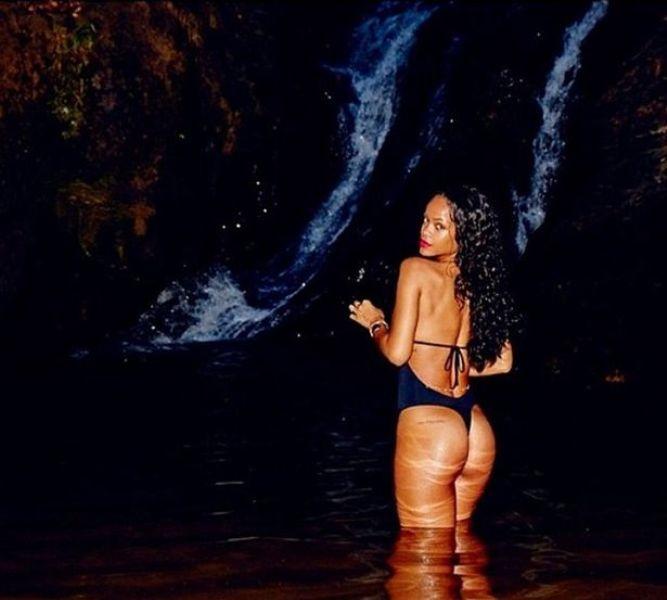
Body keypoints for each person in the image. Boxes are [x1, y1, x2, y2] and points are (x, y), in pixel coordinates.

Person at [348, 185, 521, 529]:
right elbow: (503, 362)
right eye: (425, 221)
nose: (425, 231)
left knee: (420, 548)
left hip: (431, 425)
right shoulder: (479, 280)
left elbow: (397, 353)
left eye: (439, 226)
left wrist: (376, 323)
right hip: (475, 427)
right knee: (462, 542)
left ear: (464, 235)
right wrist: (447, 362)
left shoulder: (414, 270)